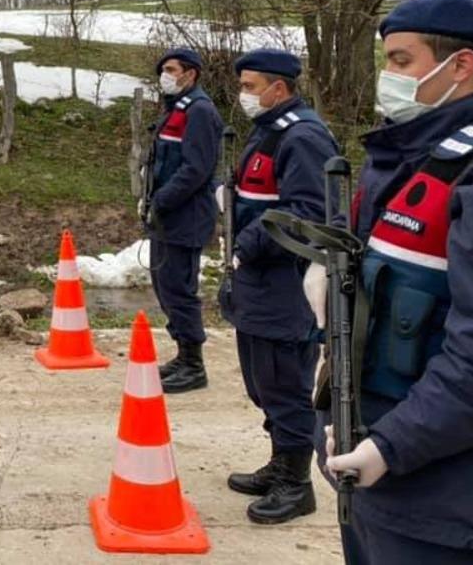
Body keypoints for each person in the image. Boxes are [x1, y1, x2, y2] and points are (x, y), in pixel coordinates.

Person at [320, 0, 473, 563]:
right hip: (378, 482)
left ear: (461, 65)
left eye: (402, 61)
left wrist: (390, 445)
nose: (389, 76)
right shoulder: (407, 157)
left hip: (450, 508)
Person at [221, 47, 338, 524]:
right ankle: (280, 462)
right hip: (257, 284)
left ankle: (297, 483)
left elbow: (307, 214)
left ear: (279, 89)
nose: (243, 95)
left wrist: (248, 241)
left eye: (250, 87)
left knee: (284, 385)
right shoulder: (269, 130)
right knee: (262, 384)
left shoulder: (303, 137)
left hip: (283, 287)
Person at [141, 47, 222, 392]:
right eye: (163, 70)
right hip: (166, 215)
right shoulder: (174, 110)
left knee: (180, 288)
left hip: (185, 215)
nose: (166, 76)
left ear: (191, 74)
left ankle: (194, 364)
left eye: (172, 69)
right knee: (166, 286)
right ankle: (183, 353)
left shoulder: (200, 111)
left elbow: (196, 168)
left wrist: (162, 199)